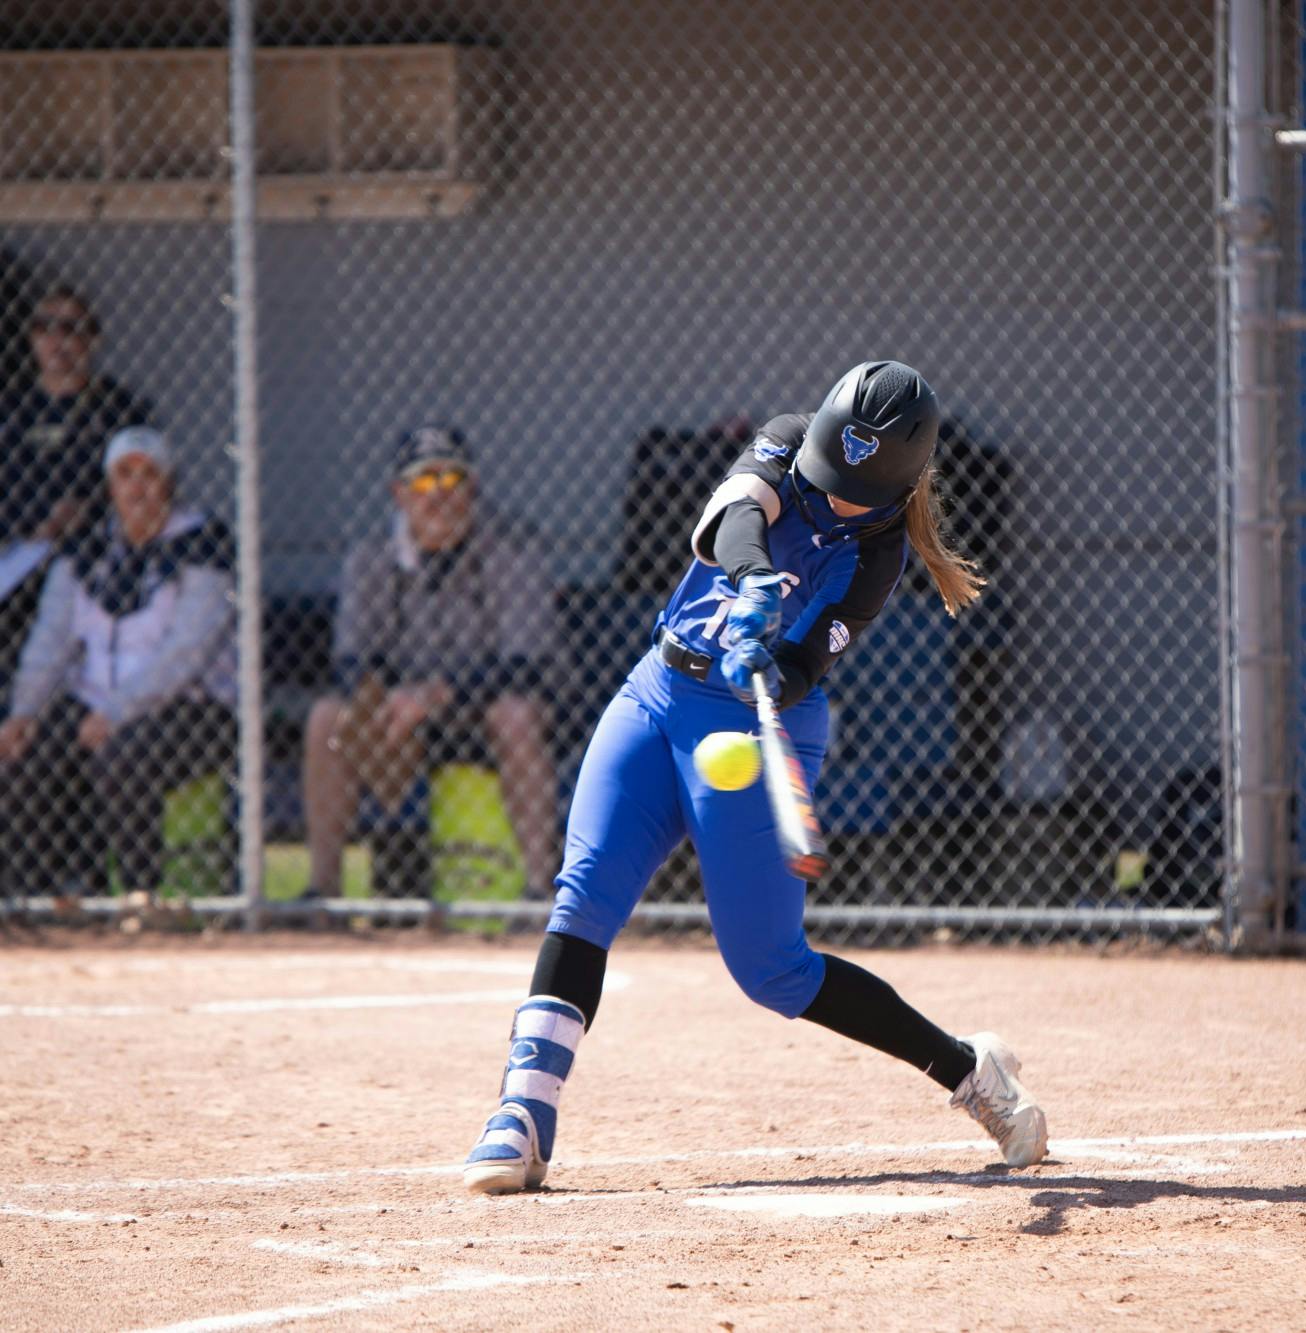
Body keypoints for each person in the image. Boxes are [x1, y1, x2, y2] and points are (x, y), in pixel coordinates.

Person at [461, 361, 1049, 1195]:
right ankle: (522, 1115)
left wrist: (771, 656)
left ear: (893, 490)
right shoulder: (784, 439)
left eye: (852, 488)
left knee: (772, 969)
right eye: (825, 473)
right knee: (584, 895)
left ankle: (969, 1071)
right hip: (656, 692)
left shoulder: (877, 556)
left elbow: (810, 664)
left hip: (753, 721)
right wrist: (753, 580)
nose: (830, 492)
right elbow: (736, 515)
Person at [303, 424, 561, 900]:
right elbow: (351, 658)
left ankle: (539, 890)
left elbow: (527, 661)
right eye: (423, 482)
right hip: (405, 717)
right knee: (326, 718)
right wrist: (380, 698)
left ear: (473, 488)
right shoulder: (372, 558)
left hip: (481, 708)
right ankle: (323, 891)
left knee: (517, 716)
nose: (438, 496)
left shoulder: (512, 548)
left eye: (451, 480)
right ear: (398, 494)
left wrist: (438, 694)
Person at [0, 427, 235, 898]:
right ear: (109, 486)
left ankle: (138, 895)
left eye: (150, 475)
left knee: (121, 757)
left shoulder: (203, 545)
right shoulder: (84, 553)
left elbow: (184, 655)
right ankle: (40, 896)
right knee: (25, 754)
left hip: (189, 707)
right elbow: (50, 642)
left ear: (169, 484)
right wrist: (23, 712)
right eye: (125, 475)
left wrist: (117, 712)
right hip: (96, 703)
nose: (137, 487)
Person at [0, 286, 153, 694]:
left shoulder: (118, 409)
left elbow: (148, 490)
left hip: (88, 557)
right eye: (44, 327)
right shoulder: (11, 409)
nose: (57, 340)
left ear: (92, 339)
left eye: (70, 328)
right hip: (15, 555)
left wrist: (88, 509)